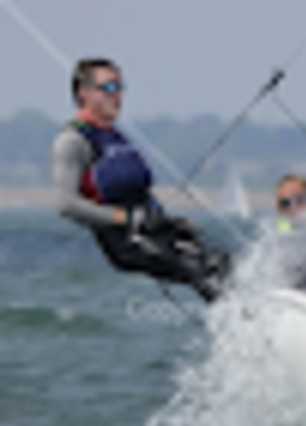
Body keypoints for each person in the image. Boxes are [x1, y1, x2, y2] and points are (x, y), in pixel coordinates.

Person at [52, 57, 230, 303]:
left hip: (152, 230)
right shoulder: (73, 141)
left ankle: (253, 317)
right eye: (109, 87)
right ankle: (241, 321)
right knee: (201, 269)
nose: (118, 95)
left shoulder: (117, 137)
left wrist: (168, 223)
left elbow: (138, 193)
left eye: (120, 87)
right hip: (124, 240)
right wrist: (127, 219)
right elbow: (66, 204)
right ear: (84, 92)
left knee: (222, 262)